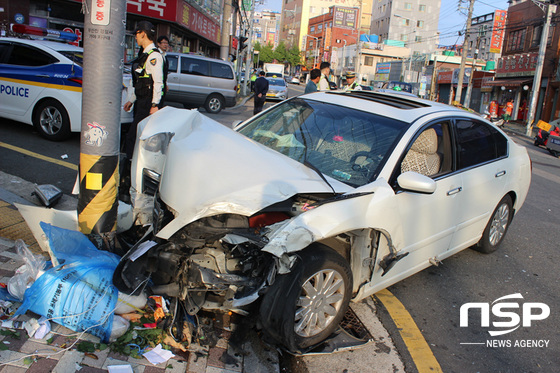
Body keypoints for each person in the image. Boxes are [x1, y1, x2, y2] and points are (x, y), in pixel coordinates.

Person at [123, 21, 164, 160]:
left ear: (143, 34)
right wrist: (131, 100)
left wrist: (154, 105)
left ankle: (131, 167)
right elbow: (139, 82)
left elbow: (158, 83)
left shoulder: (154, 56)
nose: (135, 37)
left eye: (137, 33)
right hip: (141, 102)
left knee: (133, 137)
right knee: (137, 138)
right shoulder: (144, 55)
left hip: (147, 104)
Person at [157, 35, 170, 108]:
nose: (165, 45)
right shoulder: (157, 55)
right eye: (163, 43)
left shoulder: (164, 56)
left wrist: (165, 84)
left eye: (166, 43)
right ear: (159, 44)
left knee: (161, 104)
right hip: (157, 85)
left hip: (162, 85)